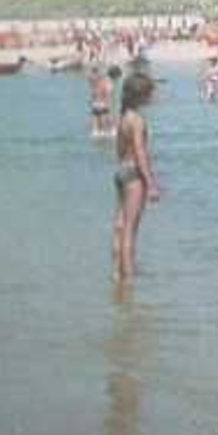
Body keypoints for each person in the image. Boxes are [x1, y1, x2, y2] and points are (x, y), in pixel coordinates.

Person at [111, 72, 160, 281]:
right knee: (130, 231)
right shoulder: (137, 120)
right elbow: (140, 152)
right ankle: (129, 280)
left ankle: (117, 273)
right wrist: (151, 183)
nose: (153, 96)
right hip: (133, 175)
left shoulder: (123, 117)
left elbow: (120, 149)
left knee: (120, 225)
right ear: (142, 95)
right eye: (151, 92)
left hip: (121, 171)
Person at [88, 65, 115, 138]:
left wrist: (91, 100)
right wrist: (109, 101)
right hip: (102, 102)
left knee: (96, 117)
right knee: (106, 115)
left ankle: (97, 132)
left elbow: (93, 93)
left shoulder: (92, 80)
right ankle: (110, 130)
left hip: (96, 102)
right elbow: (108, 93)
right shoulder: (105, 81)